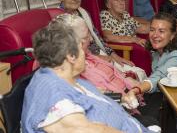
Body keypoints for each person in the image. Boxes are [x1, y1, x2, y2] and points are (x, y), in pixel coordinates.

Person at [21, 20, 153, 133]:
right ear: (71, 56)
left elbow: (87, 94)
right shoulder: (57, 100)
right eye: (81, 49)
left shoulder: (59, 75)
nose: (87, 54)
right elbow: (82, 128)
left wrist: (121, 98)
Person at [122, 12, 177, 128]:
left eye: (161, 31)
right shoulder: (159, 50)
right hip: (166, 98)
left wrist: (135, 90)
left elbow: (158, 76)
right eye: (152, 29)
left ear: (172, 36)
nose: (155, 35)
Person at [54, 0, 133, 66]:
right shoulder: (58, 19)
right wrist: (97, 58)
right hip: (84, 63)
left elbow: (98, 38)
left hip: (101, 54)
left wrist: (115, 56)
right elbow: (68, 54)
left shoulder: (84, 13)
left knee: (135, 71)